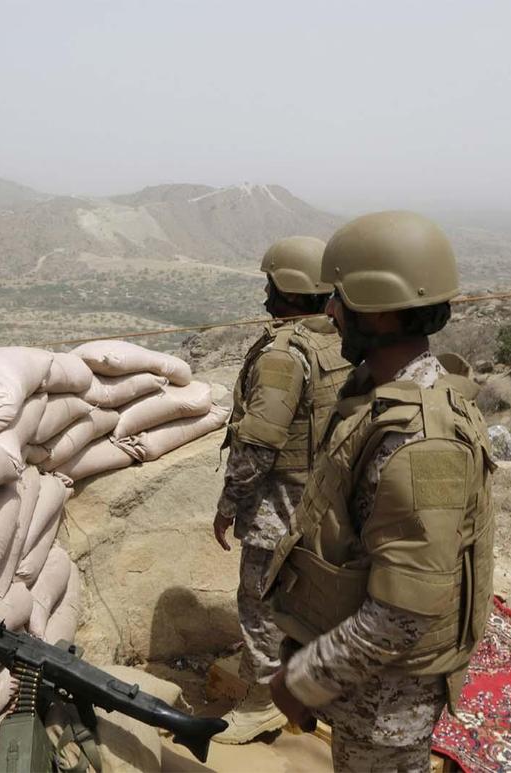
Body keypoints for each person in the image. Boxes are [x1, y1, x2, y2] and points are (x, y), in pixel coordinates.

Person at [264, 211, 495, 772]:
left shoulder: (421, 443)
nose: (331, 311)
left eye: (339, 298)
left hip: (388, 699)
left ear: (380, 308)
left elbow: (402, 614)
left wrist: (304, 680)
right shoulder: (379, 394)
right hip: (366, 682)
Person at [212, 236, 351, 745]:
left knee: (259, 603)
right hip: (325, 501)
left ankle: (260, 703)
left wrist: (229, 505)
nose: (266, 292)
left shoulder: (284, 355)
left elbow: (258, 444)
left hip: (279, 505)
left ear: (287, 288)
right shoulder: (337, 343)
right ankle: (311, 687)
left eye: (271, 283)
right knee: (310, 604)